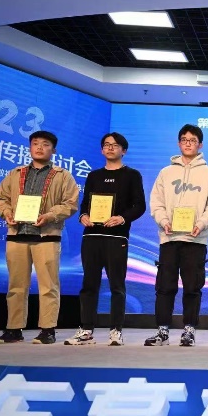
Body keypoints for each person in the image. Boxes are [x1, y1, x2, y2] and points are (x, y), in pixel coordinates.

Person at [0, 130, 79, 344]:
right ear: (29, 148)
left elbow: (70, 204)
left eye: (45, 144)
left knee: (48, 286)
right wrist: (7, 213)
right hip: (17, 234)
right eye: (35, 143)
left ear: (53, 150)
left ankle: (48, 330)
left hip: (47, 236)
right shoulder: (15, 173)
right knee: (16, 285)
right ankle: (14, 329)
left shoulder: (62, 175)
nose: (39, 147)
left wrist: (50, 215)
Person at [65, 132, 146, 347]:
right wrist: (83, 216)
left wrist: (122, 218)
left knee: (116, 286)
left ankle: (116, 330)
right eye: (107, 145)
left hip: (116, 237)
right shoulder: (94, 176)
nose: (110, 148)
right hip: (91, 236)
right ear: (102, 150)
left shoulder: (132, 175)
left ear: (124, 150)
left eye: (115, 145)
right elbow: (85, 204)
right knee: (88, 285)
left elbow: (139, 206)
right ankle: (86, 330)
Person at [147, 124, 208, 347]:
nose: (188, 143)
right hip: (169, 238)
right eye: (184, 139)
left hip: (195, 239)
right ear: (179, 143)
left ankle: (189, 330)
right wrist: (163, 221)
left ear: (200, 145)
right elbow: (156, 202)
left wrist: (201, 223)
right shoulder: (166, 172)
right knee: (164, 287)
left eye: (193, 140)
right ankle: (162, 330)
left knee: (192, 287)